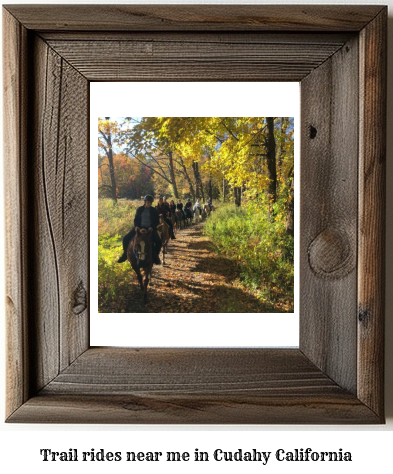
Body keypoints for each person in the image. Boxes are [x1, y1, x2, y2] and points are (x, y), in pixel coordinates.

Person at [117, 195, 162, 265]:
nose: (149, 203)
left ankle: (156, 256)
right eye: (148, 202)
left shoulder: (154, 210)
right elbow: (136, 219)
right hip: (139, 228)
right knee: (125, 238)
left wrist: (152, 227)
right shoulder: (139, 209)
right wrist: (136, 227)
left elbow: (157, 221)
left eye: (150, 202)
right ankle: (125, 254)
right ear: (144, 202)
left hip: (149, 229)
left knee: (158, 241)